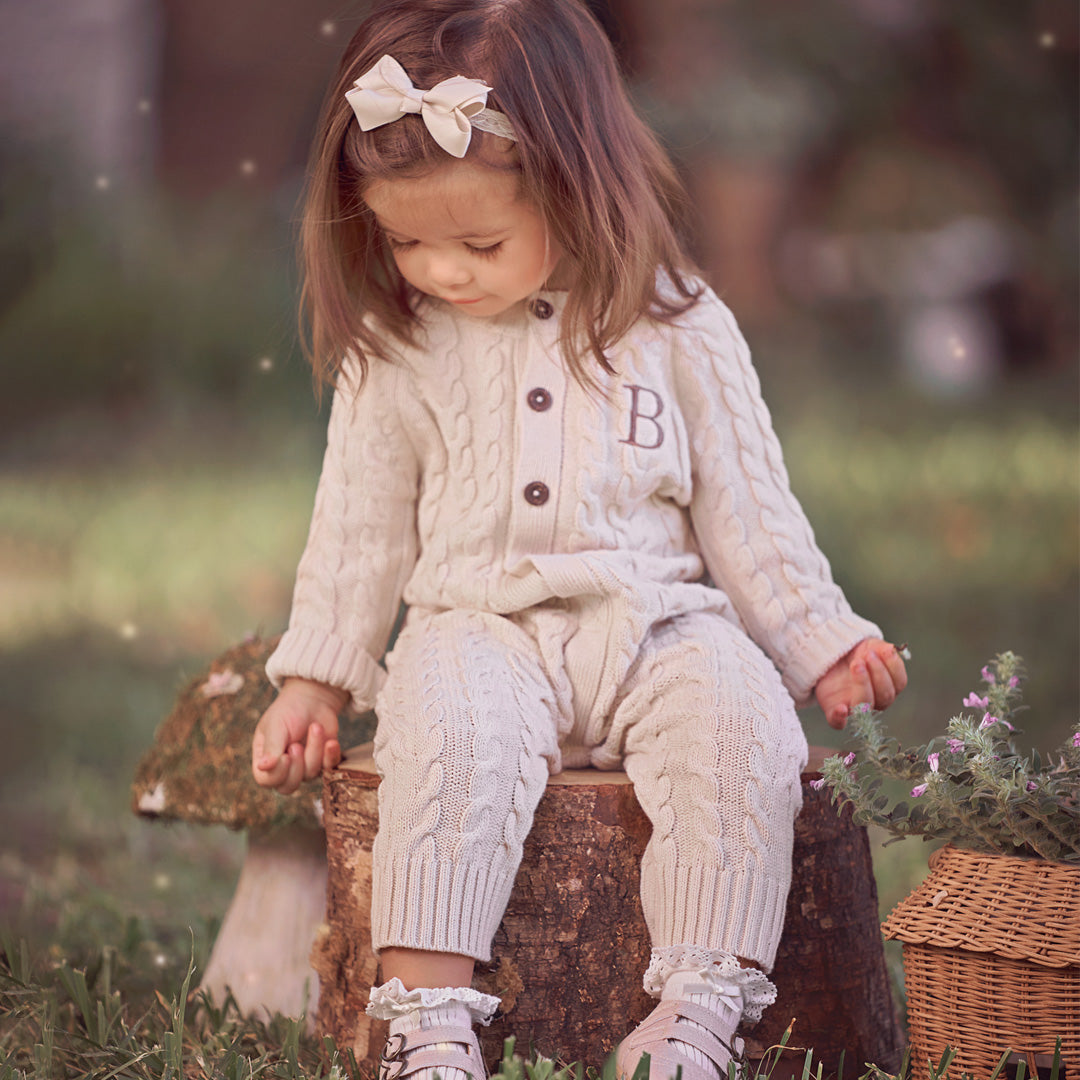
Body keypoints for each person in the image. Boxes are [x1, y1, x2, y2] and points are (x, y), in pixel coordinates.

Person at [250, 1, 908, 1077]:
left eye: (479, 242)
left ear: (579, 184)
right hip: (480, 622)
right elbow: (357, 530)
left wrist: (817, 639)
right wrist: (316, 681)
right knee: (449, 734)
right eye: (407, 240)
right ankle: (428, 1021)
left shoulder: (677, 323)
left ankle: (699, 1011)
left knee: (739, 725)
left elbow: (749, 506)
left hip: (657, 623)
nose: (444, 271)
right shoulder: (398, 351)